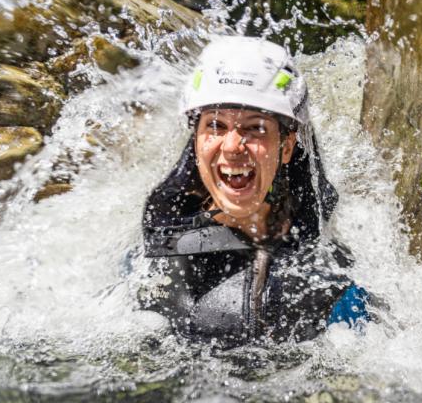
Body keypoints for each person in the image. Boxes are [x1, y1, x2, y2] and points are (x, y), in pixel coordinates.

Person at [139, 36, 370, 347]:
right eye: (216, 126)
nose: (233, 146)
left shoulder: (329, 272)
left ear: (286, 146)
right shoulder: (163, 235)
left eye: (255, 128)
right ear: (196, 140)